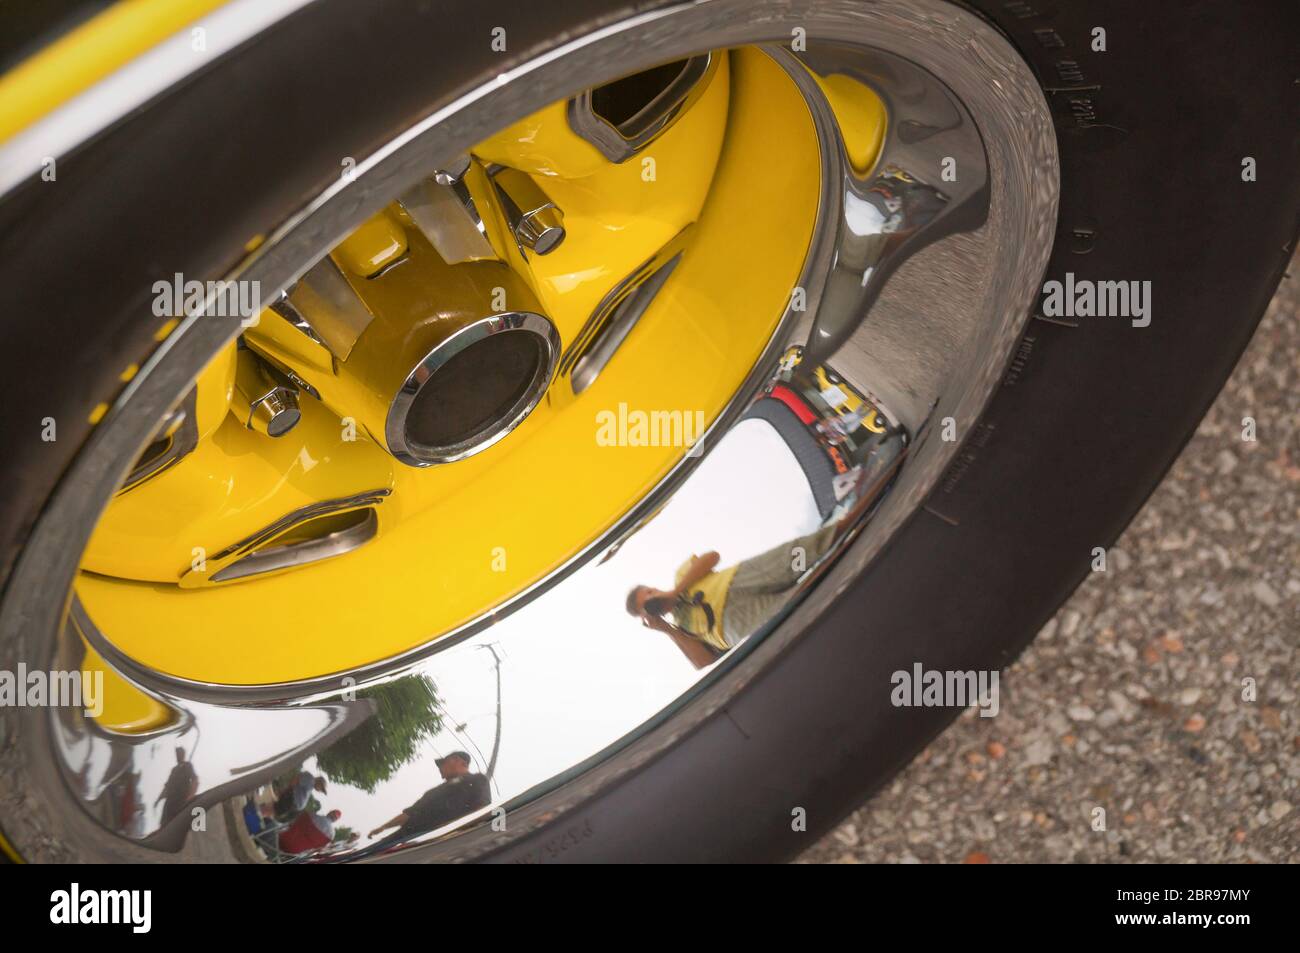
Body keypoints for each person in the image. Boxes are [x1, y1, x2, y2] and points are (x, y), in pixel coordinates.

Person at [368, 752, 490, 845]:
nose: (440, 769)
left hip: (437, 843)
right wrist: (383, 827)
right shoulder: (432, 792)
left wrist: (448, 831)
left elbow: (481, 812)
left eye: (443, 763)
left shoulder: (477, 780)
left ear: (460, 762)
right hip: (400, 840)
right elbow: (409, 814)